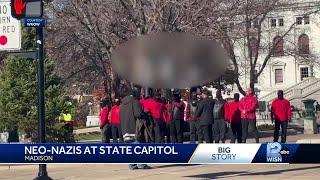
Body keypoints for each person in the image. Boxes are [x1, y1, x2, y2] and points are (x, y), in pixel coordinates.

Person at [119, 86, 150, 170]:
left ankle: (132, 164)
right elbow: (138, 114)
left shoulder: (121, 104)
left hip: (125, 128)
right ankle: (141, 164)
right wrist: (145, 113)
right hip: (134, 127)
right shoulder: (134, 101)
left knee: (130, 148)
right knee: (138, 146)